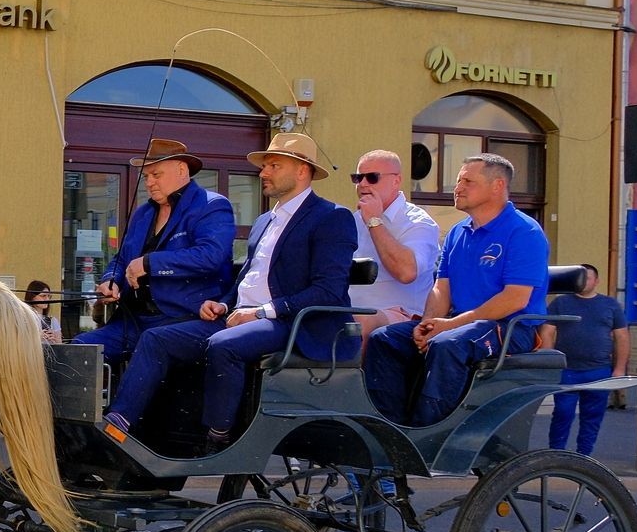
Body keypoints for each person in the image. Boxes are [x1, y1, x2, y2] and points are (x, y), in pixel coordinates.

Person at [102, 133, 356, 454]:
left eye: (274, 165)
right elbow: (248, 278)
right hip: (243, 317)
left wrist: (262, 312)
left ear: (302, 171)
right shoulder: (266, 220)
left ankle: (218, 438)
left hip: (294, 323)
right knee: (158, 339)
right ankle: (118, 425)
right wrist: (222, 304)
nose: (263, 173)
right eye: (265, 166)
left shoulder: (331, 217)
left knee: (224, 346)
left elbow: (328, 291)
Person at [365, 153, 549, 427]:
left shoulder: (524, 231)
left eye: (467, 181)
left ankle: (428, 434)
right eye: (458, 180)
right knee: (385, 338)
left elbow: (514, 299)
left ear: (497, 186)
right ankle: (388, 429)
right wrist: (427, 323)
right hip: (460, 323)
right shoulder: (457, 232)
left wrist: (449, 325)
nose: (457, 188)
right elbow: (442, 288)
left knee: (446, 345)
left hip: (510, 327)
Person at [73, 138, 234, 363]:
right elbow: (122, 258)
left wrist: (149, 263)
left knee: (150, 344)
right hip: (133, 320)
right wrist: (112, 281)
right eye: (146, 176)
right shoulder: (143, 213)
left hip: (181, 317)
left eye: (156, 175)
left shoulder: (211, 205)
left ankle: (122, 401)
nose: (149, 182)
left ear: (181, 170)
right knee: (79, 350)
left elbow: (209, 256)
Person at [347, 150, 440, 339]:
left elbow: (406, 272)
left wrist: (374, 221)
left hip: (404, 316)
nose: (363, 184)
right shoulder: (352, 220)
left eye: (372, 177)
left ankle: (360, 370)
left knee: (360, 322)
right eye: (358, 178)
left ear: (396, 181)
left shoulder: (418, 222)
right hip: (350, 310)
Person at [541, 264, 628, 455]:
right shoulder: (560, 303)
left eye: (588, 278)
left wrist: (619, 369)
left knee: (592, 416)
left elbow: (622, 337)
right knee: (563, 413)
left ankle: (584, 457)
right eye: (581, 278)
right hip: (567, 370)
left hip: (599, 370)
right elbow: (547, 332)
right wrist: (549, 362)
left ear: (597, 281)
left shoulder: (610, 305)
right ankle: (556, 455)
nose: (584, 282)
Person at [24, 279, 62, 344]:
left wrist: (54, 339)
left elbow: (60, 345)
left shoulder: (52, 320)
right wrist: (36, 337)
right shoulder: (24, 320)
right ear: (32, 297)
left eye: (49, 296)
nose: (47, 299)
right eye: (43, 296)